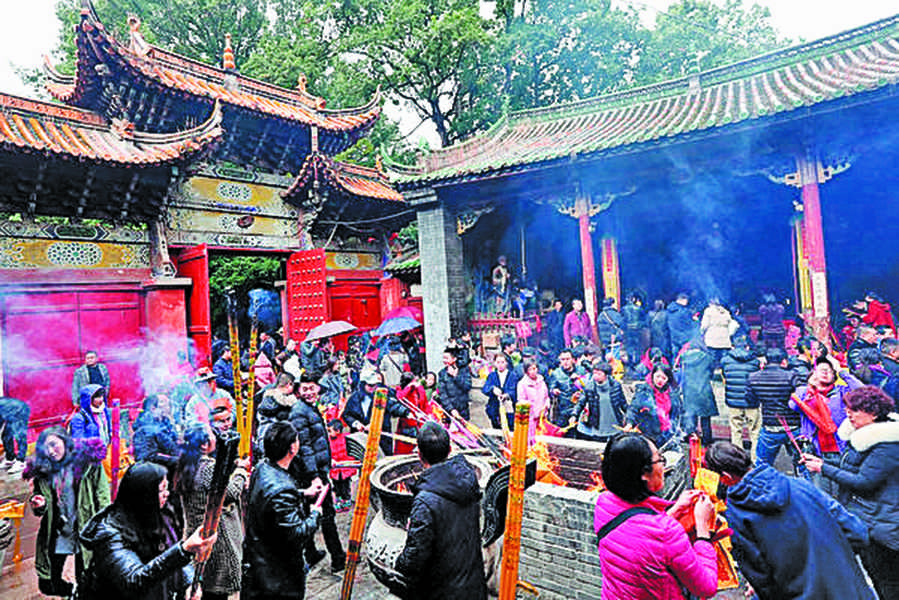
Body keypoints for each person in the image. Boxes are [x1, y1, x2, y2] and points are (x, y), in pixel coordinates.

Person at [704, 442, 875, 600]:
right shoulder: (800, 485)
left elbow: (761, 577)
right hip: (848, 587)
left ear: (725, 476)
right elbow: (856, 531)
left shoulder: (739, 514)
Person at [593, 433, 718, 600]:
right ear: (644, 473)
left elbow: (642, 536)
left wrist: (676, 509)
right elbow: (706, 587)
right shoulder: (666, 531)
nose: (663, 466)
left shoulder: (604, 503)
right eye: (660, 460)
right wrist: (703, 528)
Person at [802, 386, 899, 599]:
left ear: (874, 414)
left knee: (887, 580)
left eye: (855, 410)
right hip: (870, 516)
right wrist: (822, 462)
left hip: (883, 523)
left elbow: (864, 481)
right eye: (848, 408)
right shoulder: (862, 436)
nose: (848, 414)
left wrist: (823, 468)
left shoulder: (887, 445)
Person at [79, 462, 216, 599]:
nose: (167, 494)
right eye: (161, 490)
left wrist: (189, 582)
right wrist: (184, 550)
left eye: (167, 488)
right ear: (144, 494)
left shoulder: (162, 515)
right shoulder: (110, 533)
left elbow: (172, 552)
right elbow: (134, 581)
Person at [395, 421, 487, 600]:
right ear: (450, 449)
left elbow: (415, 557)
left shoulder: (425, 501)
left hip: (443, 590)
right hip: (472, 584)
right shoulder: (468, 479)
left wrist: (399, 563)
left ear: (420, 455)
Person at [23, 427, 110, 596]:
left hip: (85, 528)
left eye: (54, 445)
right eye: (46, 448)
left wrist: (102, 526)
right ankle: (70, 592)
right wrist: (39, 504)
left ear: (65, 441)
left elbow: (103, 496)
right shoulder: (44, 470)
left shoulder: (87, 463)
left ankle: (80, 594)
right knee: (48, 583)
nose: (50, 451)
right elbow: (41, 499)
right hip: (58, 531)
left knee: (85, 576)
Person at [243, 421, 323, 600]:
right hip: (276, 574)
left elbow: (270, 499)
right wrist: (315, 514)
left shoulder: (263, 467)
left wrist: (303, 494)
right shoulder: (281, 488)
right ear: (292, 448)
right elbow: (297, 532)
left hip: (257, 560)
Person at [175, 425, 249, 600]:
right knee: (218, 590)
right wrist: (241, 472)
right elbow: (230, 493)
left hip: (195, 532)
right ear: (204, 445)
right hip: (216, 536)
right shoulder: (207, 468)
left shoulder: (187, 464)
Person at [289, 372, 347, 573]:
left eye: (312, 388)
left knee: (309, 512)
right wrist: (315, 476)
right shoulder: (299, 412)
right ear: (298, 391)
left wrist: (328, 460)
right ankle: (338, 559)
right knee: (326, 514)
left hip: (316, 469)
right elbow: (304, 447)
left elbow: (317, 441)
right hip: (310, 475)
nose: (309, 392)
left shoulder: (310, 408)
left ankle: (311, 553)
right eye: (304, 389)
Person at [790, 358, 862, 493]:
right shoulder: (803, 391)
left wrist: (841, 371)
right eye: (821, 369)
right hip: (817, 453)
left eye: (829, 370)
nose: (825, 372)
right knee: (821, 493)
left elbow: (863, 391)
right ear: (813, 373)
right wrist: (810, 389)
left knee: (845, 493)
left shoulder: (841, 391)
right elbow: (793, 405)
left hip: (841, 450)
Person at [746, 347, 801, 467]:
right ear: (784, 361)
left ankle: (762, 485)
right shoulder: (792, 376)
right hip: (793, 426)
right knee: (802, 464)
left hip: (770, 425)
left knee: (762, 465)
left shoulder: (753, 377)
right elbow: (801, 400)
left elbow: (750, 402)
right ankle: (805, 484)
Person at [626, 363, 682, 445]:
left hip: (668, 434)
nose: (660, 380)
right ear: (652, 375)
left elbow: (679, 413)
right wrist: (629, 423)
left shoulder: (672, 393)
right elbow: (633, 408)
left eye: (664, 378)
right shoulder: (644, 391)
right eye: (658, 376)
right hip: (649, 434)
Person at [721, 343, 762, 456]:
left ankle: (738, 458)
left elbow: (724, 376)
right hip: (751, 401)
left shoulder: (725, 360)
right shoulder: (755, 362)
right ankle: (755, 458)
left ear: (732, 346)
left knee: (736, 430)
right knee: (754, 431)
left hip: (733, 402)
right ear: (747, 347)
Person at [570, 360, 626, 442]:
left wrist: (629, 420)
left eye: (599, 374)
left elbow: (623, 403)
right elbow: (581, 403)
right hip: (598, 423)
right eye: (594, 373)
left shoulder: (615, 386)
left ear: (606, 374)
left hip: (614, 422)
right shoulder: (590, 387)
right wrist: (574, 415)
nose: (595, 376)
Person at [677, 337, 717, 446]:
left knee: (691, 415)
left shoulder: (684, 357)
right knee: (705, 418)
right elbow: (711, 373)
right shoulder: (708, 358)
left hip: (689, 390)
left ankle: (691, 437)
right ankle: (707, 439)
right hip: (704, 390)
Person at [132, 394, 179, 468]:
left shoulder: (166, 423)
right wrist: (176, 460)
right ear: (153, 408)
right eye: (163, 404)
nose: (168, 408)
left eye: (168, 404)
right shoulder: (144, 429)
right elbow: (146, 457)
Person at [516, 358, 551, 444]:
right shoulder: (522, 384)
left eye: (534, 368)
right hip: (530, 419)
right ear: (526, 371)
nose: (533, 371)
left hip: (542, 418)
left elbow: (546, 396)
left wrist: (546, 405)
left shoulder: (542, 382)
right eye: (530, 369)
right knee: (530, 441)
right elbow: (521, 400)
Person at [548, 349, 582, 431]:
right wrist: (554, 391)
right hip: (563, 410)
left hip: (579, 409)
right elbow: (551, 389)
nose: (565, 362)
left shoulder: (581, 370)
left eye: (567, 359)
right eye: (563, 359)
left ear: (573, 360)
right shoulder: (556, 374)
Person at [482, 353, 518, 429]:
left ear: (506, 363)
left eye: (502, 362)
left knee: (510, 428)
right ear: (495, 363)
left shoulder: (512, 376)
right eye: (498, 362)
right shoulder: (492, 375)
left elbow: (515, 390)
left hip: (509, 407)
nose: (500, 365)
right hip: (494, 408)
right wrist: (493, 389)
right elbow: (485, 388)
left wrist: (507, 395)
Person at [396, 371, 429, 453]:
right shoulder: (400, 389)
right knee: (406, 446)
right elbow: (399, 398)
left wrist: (428, 414)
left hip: (419, 421)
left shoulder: (419, 389)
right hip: (407, 423)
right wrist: (408, 387)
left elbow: (425, 403)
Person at [327, 420, 355, 511]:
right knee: (336, 487)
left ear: (338, 430)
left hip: (345, 469)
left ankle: (346, 500)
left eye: (330, 431)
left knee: (345, 486)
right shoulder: (327, 441)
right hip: (335, 470)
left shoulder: (346, 438)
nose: (329, 433)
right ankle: (338, 501)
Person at [437, 349, 472, 420]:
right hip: (449, 412)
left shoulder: (464, 370)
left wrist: (456, 377)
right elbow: (442, 394)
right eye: (443, 358)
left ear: (454, 358)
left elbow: (467, 386)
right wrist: (451, 409)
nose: (444, 360)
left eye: (446, 358)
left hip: (463, 410)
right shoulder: (442, 373)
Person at [700, 297, 734, 370]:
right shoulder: (726, 312)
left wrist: (701, 333)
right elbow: (731, 325)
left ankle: (714, 377)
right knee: (724, 362)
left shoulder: (708, 311)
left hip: (712, 340)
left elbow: (704, 325)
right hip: (725, 341)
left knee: (712, 361)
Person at [0, 396, 29, 475]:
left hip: (20, 410)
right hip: (10, 412)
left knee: (19, 436)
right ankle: (10, 459)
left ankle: (21, 462)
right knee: (6, 435)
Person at [667, 293, 695, 358]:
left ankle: (674, 367)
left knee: (675, 356)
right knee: (684, 357)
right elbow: (690, 324)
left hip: (673, 336)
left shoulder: (669, 309)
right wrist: (695, 320)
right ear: (683, 299)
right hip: (684, 337)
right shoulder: (684, 311)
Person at [622, 293, 646, 366]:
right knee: (637, 347)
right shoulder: (639, 308)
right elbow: (644, 320)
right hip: (637, 330)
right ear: (633, 299)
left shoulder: (623, 309)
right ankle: (637, 363)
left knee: (629, 346)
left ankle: (630, 363)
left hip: (627, 330)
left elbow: (622, 320)